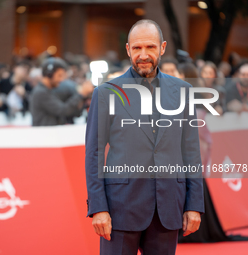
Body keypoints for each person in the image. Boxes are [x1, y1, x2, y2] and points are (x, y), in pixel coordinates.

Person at [85, 19, 204, 255]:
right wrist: (98, 207)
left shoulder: (183, 91)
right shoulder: (105, 93)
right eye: (137, 48)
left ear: (162, 48)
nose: (143, 55)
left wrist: (194, 204)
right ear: (128, 50)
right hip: (120, 207)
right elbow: (94, 154)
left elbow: (191, 151)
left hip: (167, 208)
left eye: (150, 47)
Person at [30, 57, 94, 126]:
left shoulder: (48, 90)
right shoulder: (41, 92)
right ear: (49, 74)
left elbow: (70, 111)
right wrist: (81, 93)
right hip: (44, 135)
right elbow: (63, 110)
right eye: (59, 75)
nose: (61, 80)